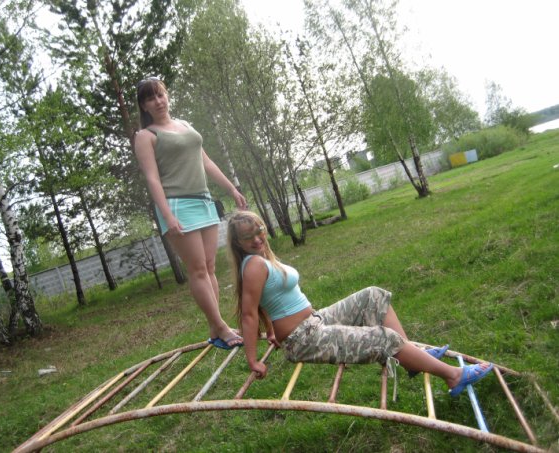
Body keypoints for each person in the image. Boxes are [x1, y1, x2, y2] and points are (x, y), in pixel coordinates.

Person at [227, 210, 494, 397]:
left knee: (373, 296)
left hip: (314, 322)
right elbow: (249, 314)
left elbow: (265, 299)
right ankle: (453, 376)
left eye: (259, 230)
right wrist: (252, 360)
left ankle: (411, 357)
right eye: (248, 237)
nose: (257, 238)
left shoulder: (262, 259)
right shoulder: (253, 265)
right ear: (238, 243)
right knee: (385, 338)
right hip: (303, 339)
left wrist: (271, 329)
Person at [135, 77, 247, 350]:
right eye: (150, 98)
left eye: (160, 94)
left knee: (209, 268)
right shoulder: (146, 136)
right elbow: (152, 179)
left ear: (166, 95)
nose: (158, 101)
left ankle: (216, 327)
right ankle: (221, 327)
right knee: (197, 270)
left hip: (203, 201)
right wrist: (167, 216)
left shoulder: (186, 125)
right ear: (144, 106)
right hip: (176, 205)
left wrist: (231, 189)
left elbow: (205, 161)